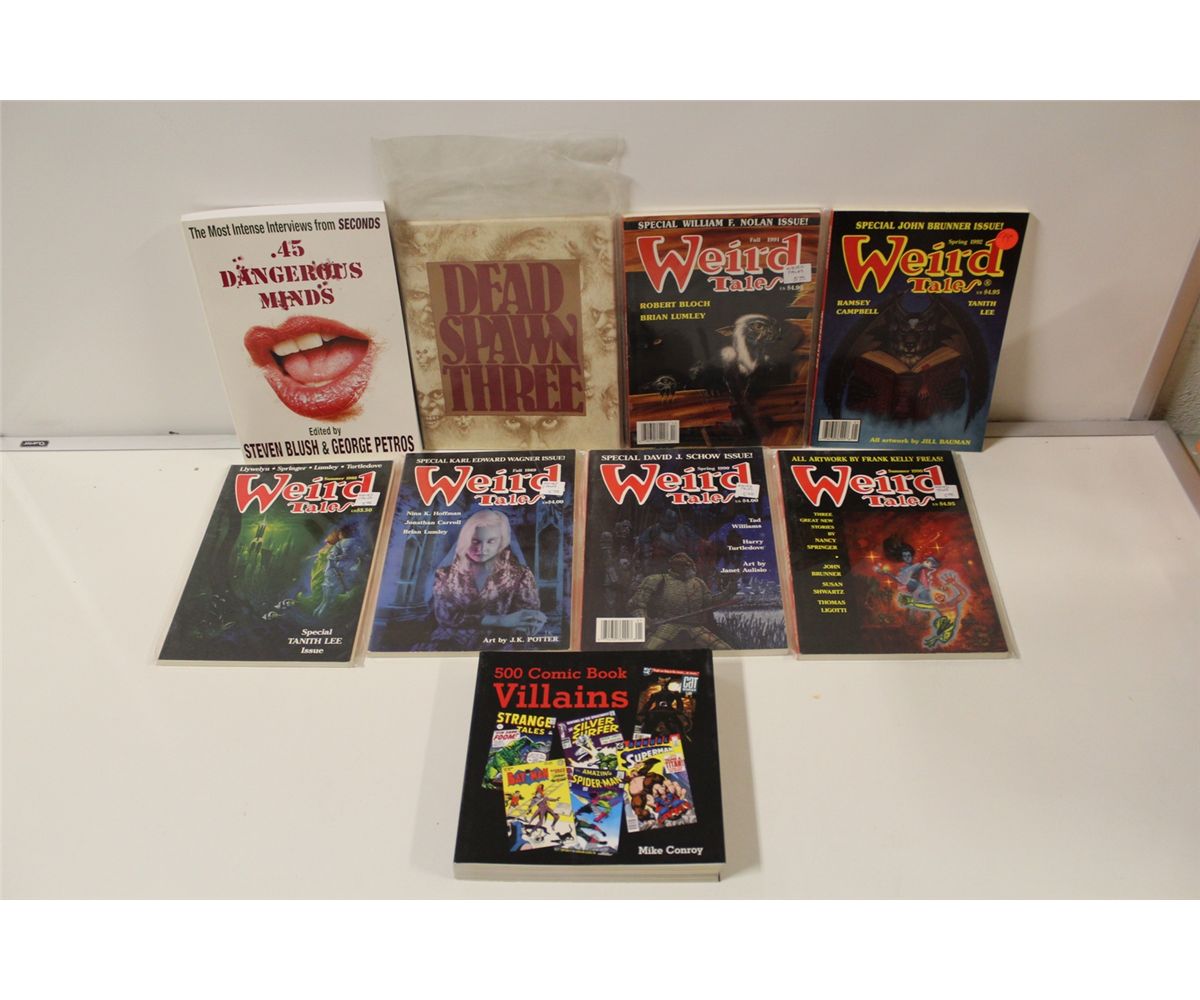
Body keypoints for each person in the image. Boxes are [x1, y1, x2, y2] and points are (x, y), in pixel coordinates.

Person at [428, 510, 546, 647]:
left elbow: (527, 616)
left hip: (501, 645)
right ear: (465, 540)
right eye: (475, 541)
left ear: (501, 542)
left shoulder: (520, 574)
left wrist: (532, 621)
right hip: (450, 644)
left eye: (491, 541)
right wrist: (500, 620)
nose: (482, 549)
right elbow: (446, 616)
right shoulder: (444, 574)